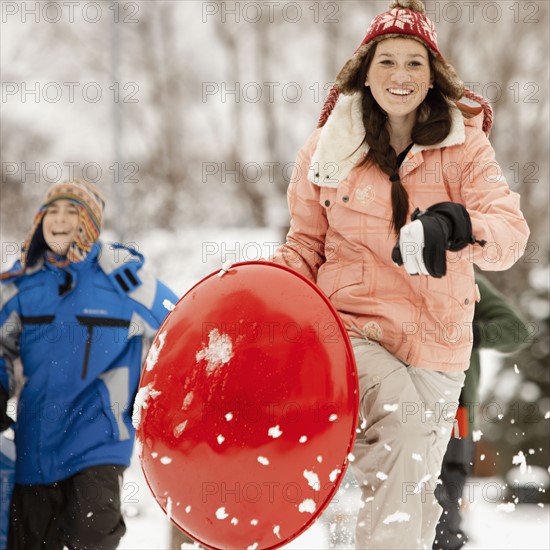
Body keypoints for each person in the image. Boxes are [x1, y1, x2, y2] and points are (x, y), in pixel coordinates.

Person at [270, 0, 530, 548]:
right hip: (352, 334)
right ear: (365, 71)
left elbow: (510, 233)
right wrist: (264, 299)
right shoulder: (327, 149)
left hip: (439, 353)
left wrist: (456, 224)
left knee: (413, 495)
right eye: (387, 61)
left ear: (433, 75)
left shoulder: (464, 147)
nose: (401, 76)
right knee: (404, 455)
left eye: (415, 63)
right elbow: (303, 246)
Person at [0, 179, 178, 549]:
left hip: (99, 440)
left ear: (91, 222)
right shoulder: (21, 283)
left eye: (73, 211)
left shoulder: (124, 280)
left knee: (92, 538)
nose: (60, 220)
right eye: (52, 210)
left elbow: (181, 324)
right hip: (35, 444)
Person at [433, 272, 529, 550]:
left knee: (444, 510)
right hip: (394, 408)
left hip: (455, 412)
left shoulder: (462, 274)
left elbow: (516, 330)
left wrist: (466, 333)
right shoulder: (381, 266)